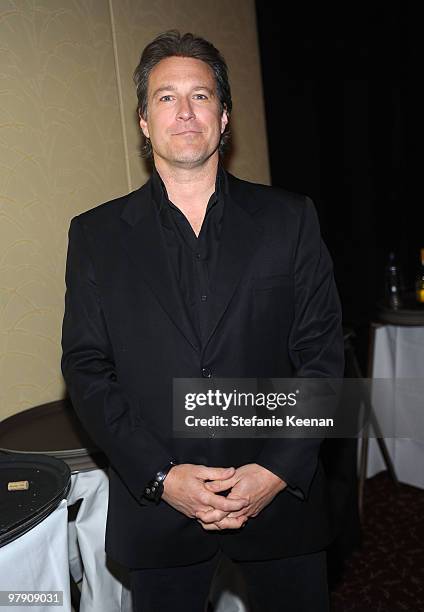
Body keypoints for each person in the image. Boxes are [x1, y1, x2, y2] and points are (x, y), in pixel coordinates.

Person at [61, 30, 343, 612]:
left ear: (225, 116)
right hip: (160, 509)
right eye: (166, 98)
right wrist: (163, 478)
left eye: (201, 95)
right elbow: (87, 368)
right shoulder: (95, 236)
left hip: (279, 500)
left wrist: (274, 470)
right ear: (143, 121)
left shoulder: (290, 219)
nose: (185, 111)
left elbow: (323, 356)